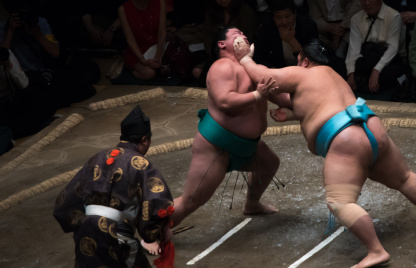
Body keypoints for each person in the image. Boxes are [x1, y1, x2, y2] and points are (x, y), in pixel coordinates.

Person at [234, 38, 416, 268]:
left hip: (346, 139)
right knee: (405, 178)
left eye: (298, 62)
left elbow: (265, 78)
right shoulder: (333, 78)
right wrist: (292, 114)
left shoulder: (303, 74)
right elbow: (301, 102)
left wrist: (246, 59)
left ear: (305, 61)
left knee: (339, 202)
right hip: (370, 125)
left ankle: (376, 251)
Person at [53, 105, 174, 268]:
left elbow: (65, 201)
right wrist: (152, 234)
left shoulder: (97, 157)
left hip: (87, 229)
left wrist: (82, 224)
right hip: (115, 232)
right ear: (144, 139)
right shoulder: (140, 163)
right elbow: (158, 203)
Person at [170, 26, 280, 228]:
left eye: (245, 34)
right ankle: (152, 233)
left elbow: (276, 92)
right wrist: (258, 95)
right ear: (222, 44)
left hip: (247, 146)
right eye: (237, 34)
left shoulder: (251, 67)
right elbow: (225, 101)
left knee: (269, 163)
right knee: (191, 202)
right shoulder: (222, 66)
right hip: (217, 146)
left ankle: (252, 204)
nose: (244, 36)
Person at [345, 0, 408, 94]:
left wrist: (376, 70)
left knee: (385, 77)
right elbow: (353, 49)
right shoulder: (356, 18)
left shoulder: (394, 15)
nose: (366, 3)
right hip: (367, 59)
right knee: (343, 71)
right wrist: (351, 74)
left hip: (390, 61)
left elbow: (393, 48)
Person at [254, 0, 319, 68]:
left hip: (304, 71)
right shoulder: (267, 28)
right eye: (279, 17)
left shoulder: (309, 26)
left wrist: (292, 41)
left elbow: (313, 61)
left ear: (295, 14)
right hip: (278, 72)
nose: (284, 21)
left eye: (287, 16)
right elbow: (259, 57)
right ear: (273, 18)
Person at [118, 0, 167, 80]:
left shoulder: (160, 2)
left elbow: (162, 32)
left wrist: (158, 56)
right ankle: (129, 67)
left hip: (156, 46)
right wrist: (142, 60)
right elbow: (130, 39)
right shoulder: (123, 9)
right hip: (137, 50)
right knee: (149, 73)